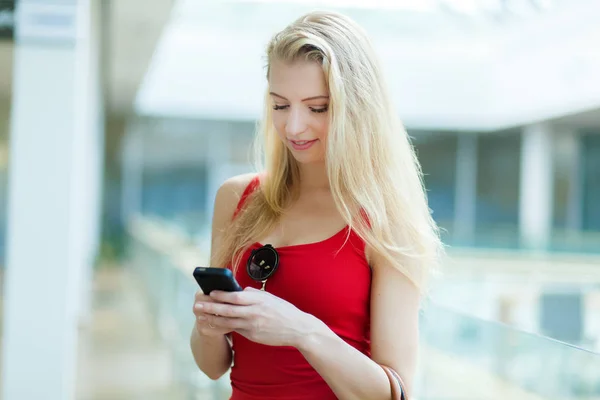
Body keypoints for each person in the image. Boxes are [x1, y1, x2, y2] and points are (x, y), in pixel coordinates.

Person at [190, 10, 443, 400]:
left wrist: (303, 331)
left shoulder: (384, 220)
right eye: (279, 105)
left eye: (317, 108)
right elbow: (213, 366)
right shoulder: (236, 198)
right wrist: (208, 327)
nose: (293, 127)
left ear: (357, 109)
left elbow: (396, 392)